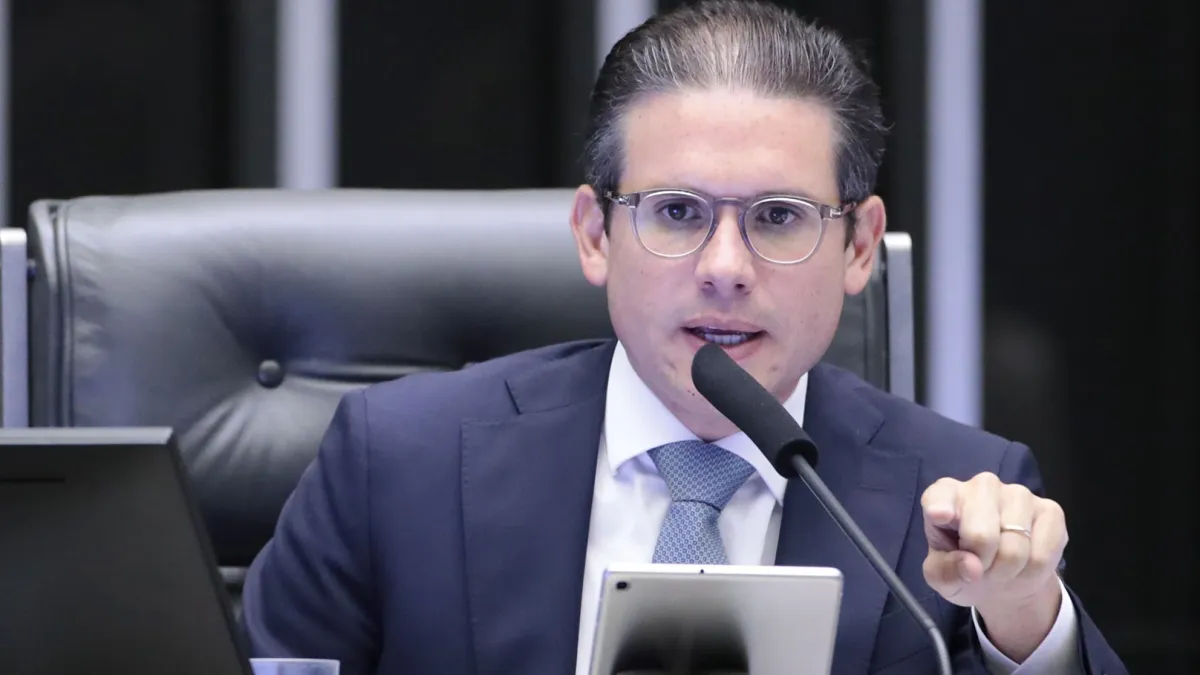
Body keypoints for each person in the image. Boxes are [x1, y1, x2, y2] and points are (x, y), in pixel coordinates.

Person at [240, 1, 1126, 673]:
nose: (725, 267)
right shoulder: (396, 464)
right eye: (676, 212)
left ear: (859, 246)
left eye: (777, 217)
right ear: (595, 233)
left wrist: (1024, 620)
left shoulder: (958, 491)